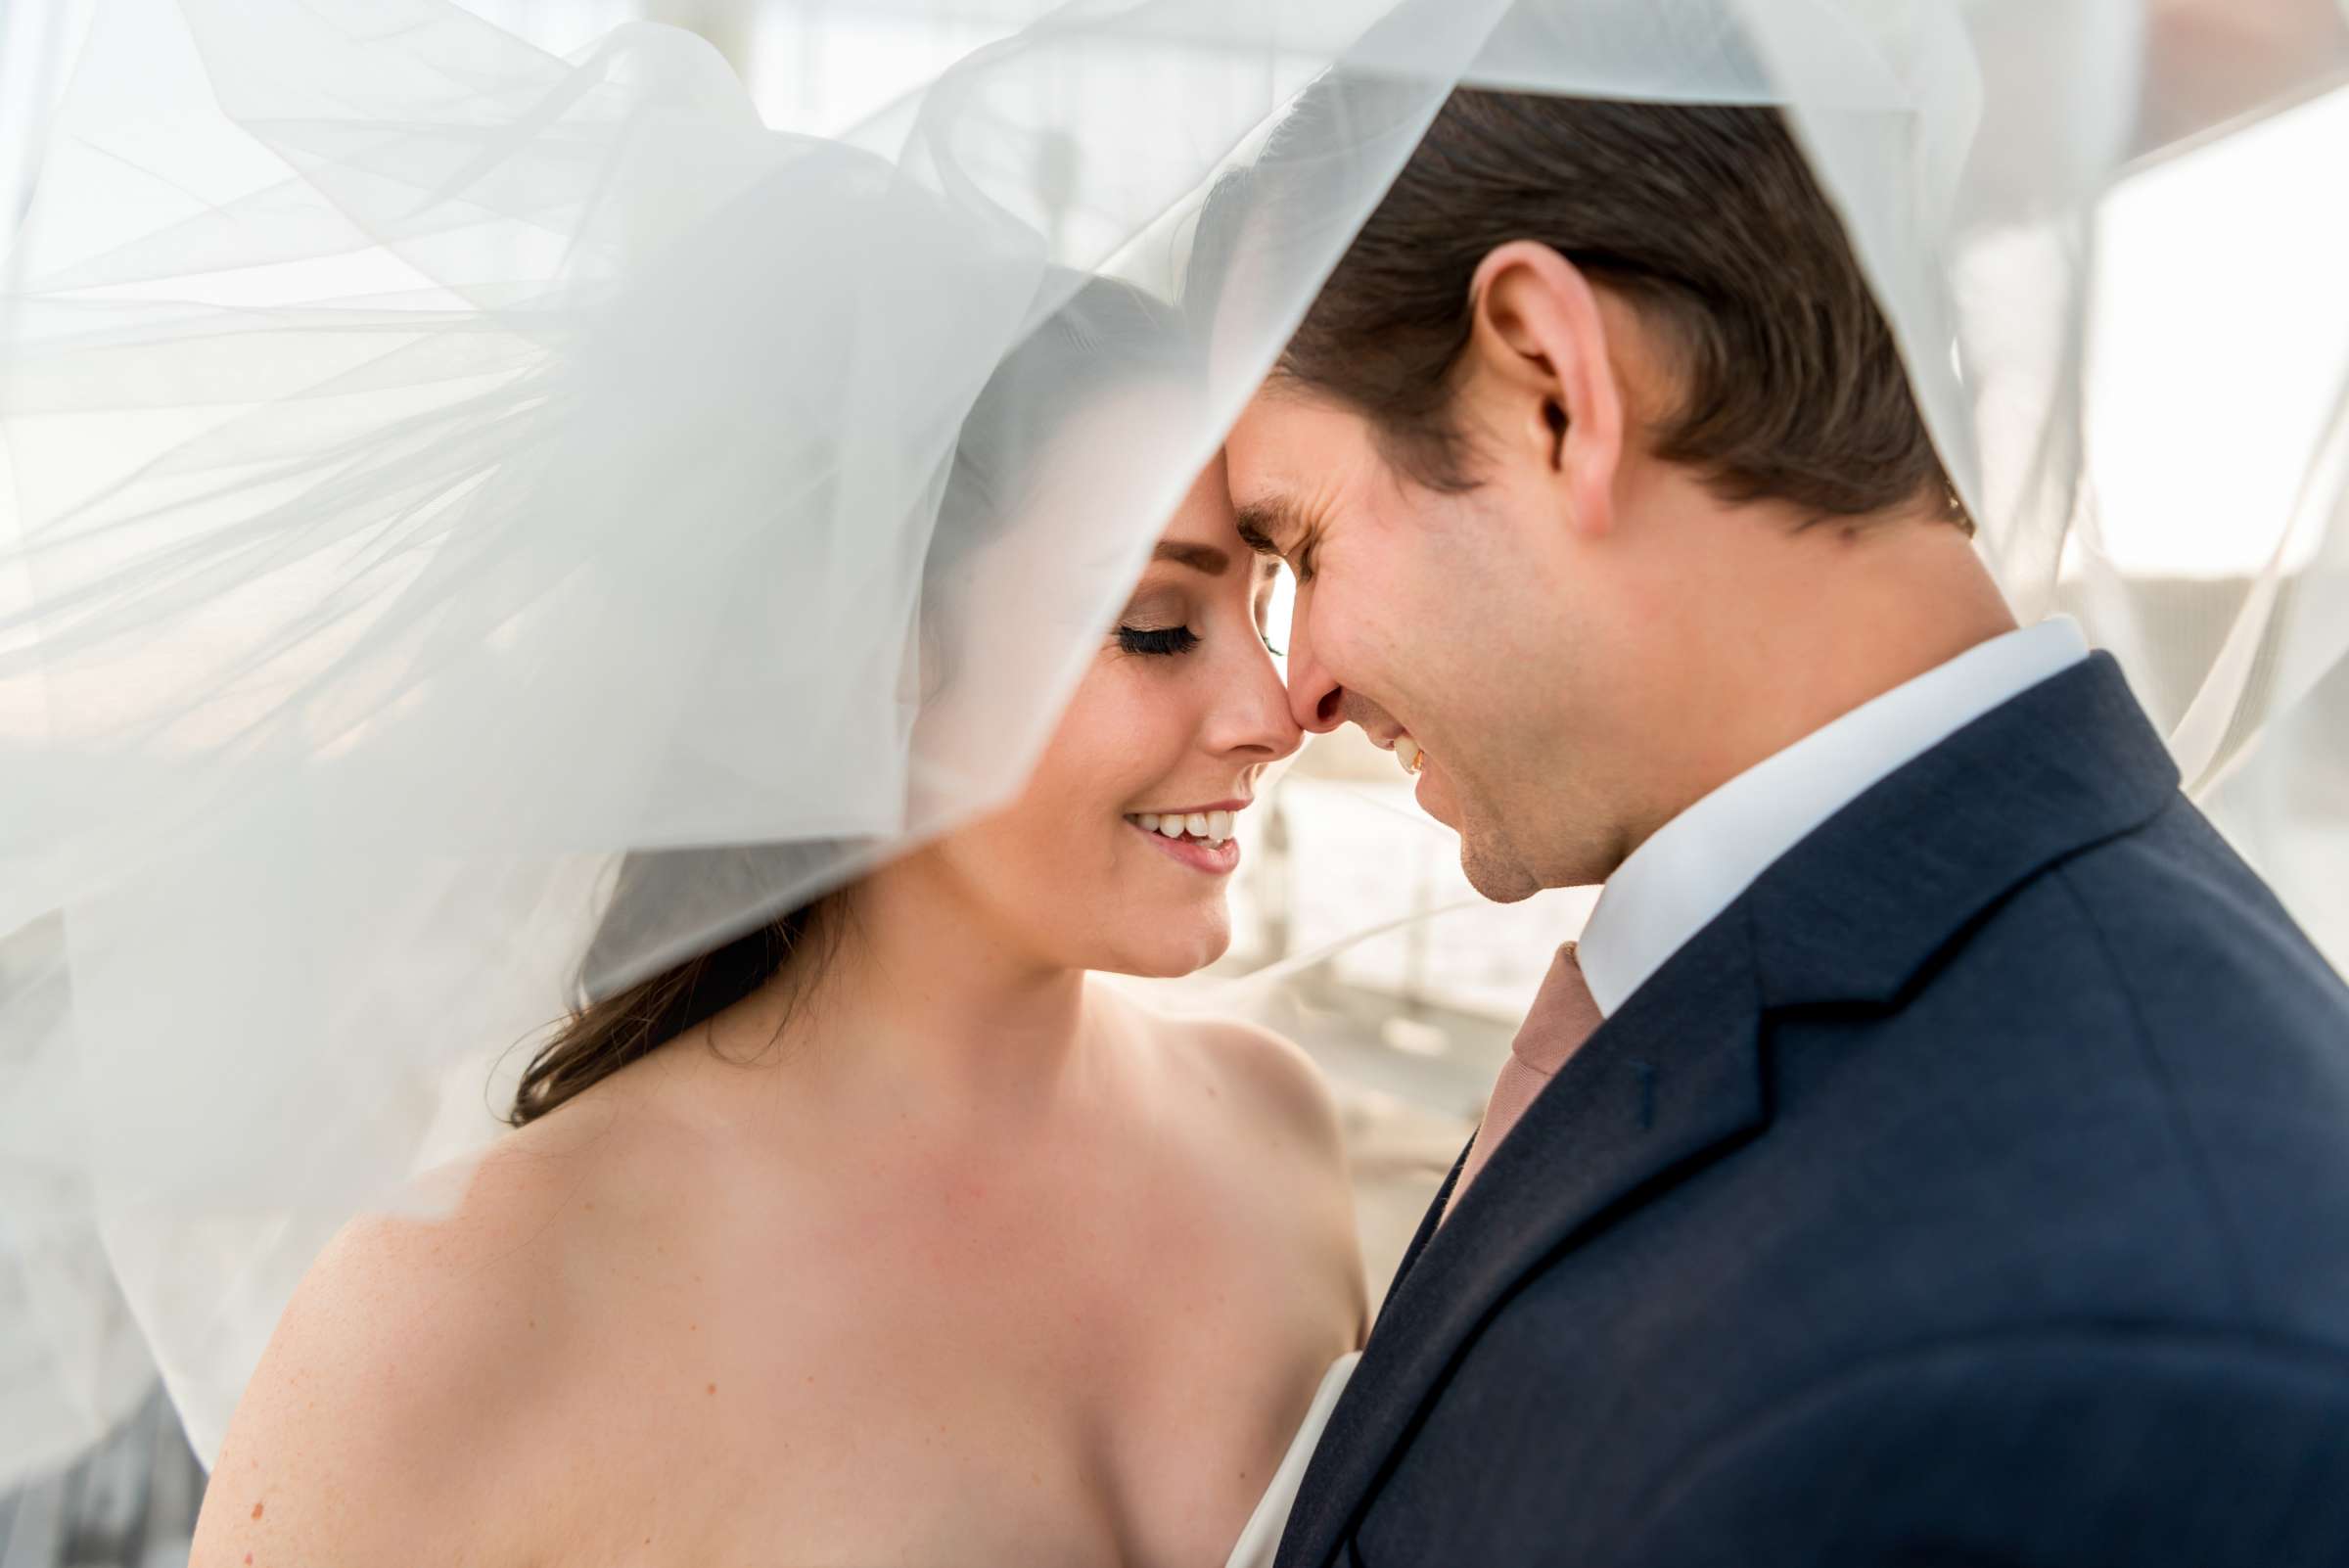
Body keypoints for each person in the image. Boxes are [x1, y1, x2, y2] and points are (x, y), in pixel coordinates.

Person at [1207, 85, 2349, 1566]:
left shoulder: (2119, 1354)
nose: (1301, 689)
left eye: (1304, 542)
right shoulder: (1797, 985)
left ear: (1556, 387)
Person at [186, 282, 1368, 1568]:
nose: (1278, 705)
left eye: (1265, 604)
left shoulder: (1277, 1132)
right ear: (872, 662)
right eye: (1156, 625)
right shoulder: (462, 1302)